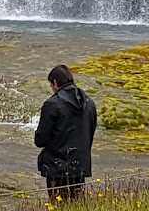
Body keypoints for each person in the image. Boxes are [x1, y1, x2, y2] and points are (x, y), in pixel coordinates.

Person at [35, 65, 97, 201]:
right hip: (80, 166)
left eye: (51, 85)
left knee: (57, 204)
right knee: (76, 204)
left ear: (55, 83)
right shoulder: (90, 103)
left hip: (56, 168)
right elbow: (90, 133)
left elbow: (40, 140)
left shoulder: (52, 104)